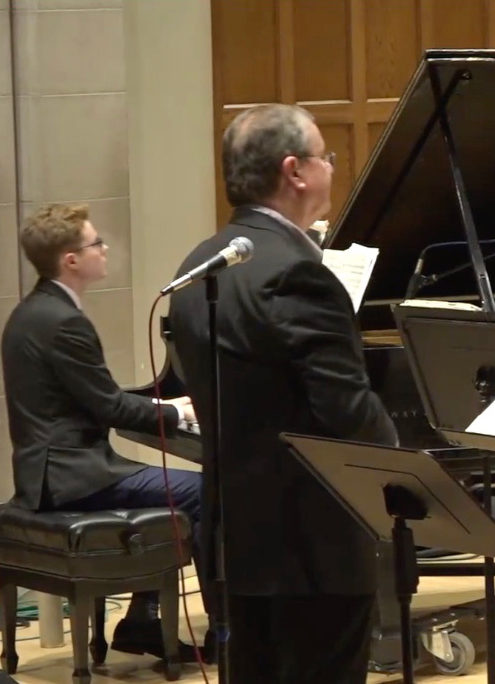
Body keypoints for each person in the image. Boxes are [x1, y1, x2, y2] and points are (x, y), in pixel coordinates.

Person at [167, 103, 398, 683]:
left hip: (231, 539)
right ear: (295, 171)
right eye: (326, 156)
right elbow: (348, 414)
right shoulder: (298, 272)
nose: (332, 167)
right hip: (311, 548)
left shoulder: (199, 264)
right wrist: (401, 460)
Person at [2, 203, 204, 661]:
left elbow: (94, 399)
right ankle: (221, 630)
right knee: (203, 491)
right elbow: (111, 406)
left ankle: (144, 618)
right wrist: (177, 414)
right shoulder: (64, 321)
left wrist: (164, 406)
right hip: (72, 477)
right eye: (96, 243)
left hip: (51, 471)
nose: (104, 248)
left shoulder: (33, 311)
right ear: (70, 260)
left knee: (174, 487)